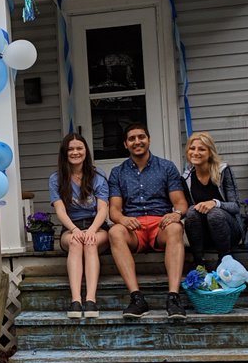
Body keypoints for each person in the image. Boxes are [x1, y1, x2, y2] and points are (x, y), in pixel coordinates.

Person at [107, 122, 188, 318]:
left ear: (149, 140)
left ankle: (173, 298)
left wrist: (176, 214)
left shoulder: (166, 167)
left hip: (160, 224)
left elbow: (180, 203)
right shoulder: (118, 172)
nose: (137, 142)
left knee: (176, 228)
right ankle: (137, 298)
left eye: (141, 137)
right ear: (126, 144)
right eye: (132, 139)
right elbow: (114, 210)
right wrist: (123, 220)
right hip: (134, 227)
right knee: (114, 231)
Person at [49, 133, 110, 319]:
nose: (75, 152)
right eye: (71, 149)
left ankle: (90, 300)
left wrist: (91, 230)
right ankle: (76, 300)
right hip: (70, 227)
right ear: (64, 153)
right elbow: (60, 211)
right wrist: (75, 230)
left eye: (79, 148)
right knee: (76, 243)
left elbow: (102, 209)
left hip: (96, 227)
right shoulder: (56, 178)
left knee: (90, 243)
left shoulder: (98, 176)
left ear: (86, 151)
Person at [181, 132, 244, 267]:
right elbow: (189, 210)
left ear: (210, 152)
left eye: (201, 149)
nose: (195, 152)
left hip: (228, 232)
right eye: (192, 148)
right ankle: (199, 263)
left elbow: (236, 206)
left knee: (214, 213)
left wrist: (215, 203)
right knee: (192, 211)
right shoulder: (186, 177)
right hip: (204, 235)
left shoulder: (223, 171)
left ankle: (224, 261)